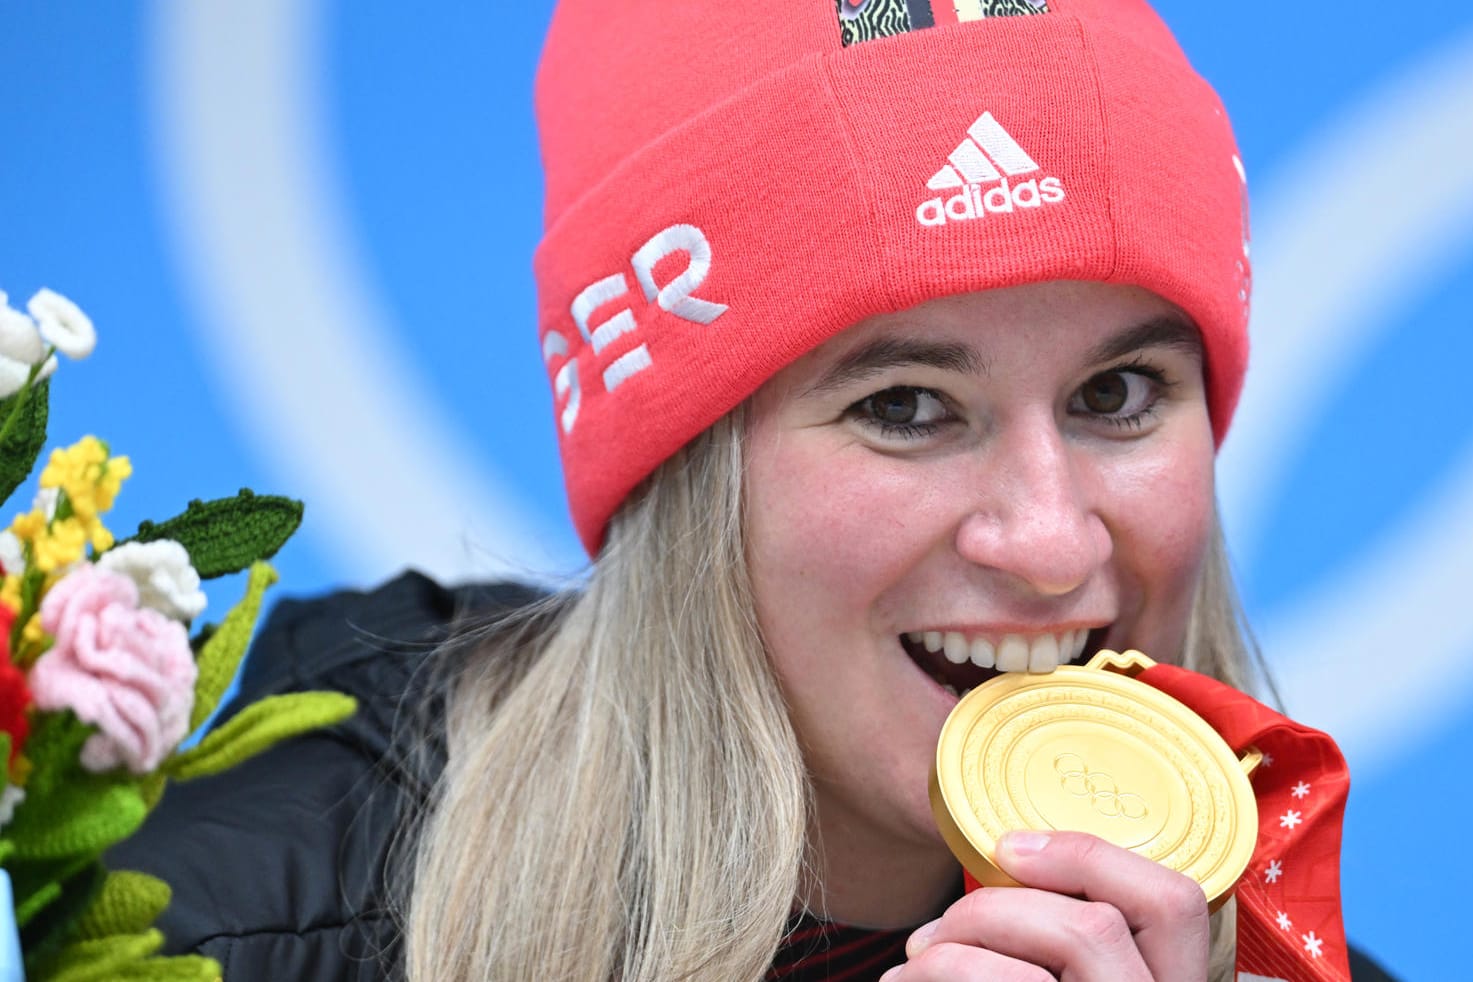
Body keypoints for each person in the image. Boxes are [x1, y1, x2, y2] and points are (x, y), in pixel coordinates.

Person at [112, 1, 1399, 979]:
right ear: (683, 470)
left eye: (1116, 396)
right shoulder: (287, 891)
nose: (1052, 545)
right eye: (906, 406)